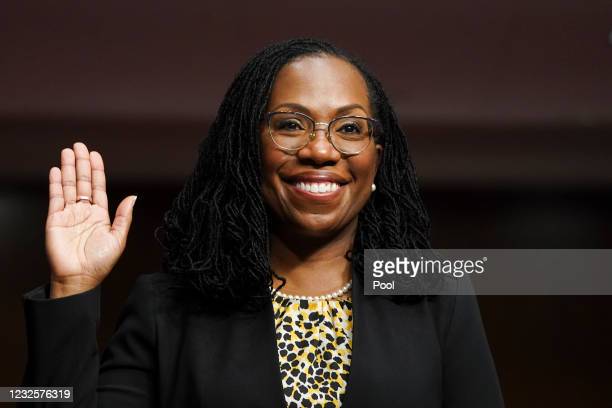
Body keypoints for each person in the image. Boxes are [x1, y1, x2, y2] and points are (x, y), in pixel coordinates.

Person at [21, 38, 504, 407]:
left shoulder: (437, 294)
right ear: (245, 150)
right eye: (291, 124)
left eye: (350, 128)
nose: (320, 150)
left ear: (377, 159)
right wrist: (71, 288)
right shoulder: (166, 307)